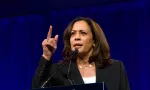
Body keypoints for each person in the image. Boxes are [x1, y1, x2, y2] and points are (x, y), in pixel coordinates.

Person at [31, 17, 130, 90]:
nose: (76, 37)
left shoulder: (115, 68)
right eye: (73, 33)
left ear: (94, 41)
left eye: (83, 33)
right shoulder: (59, 70)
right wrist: (46, 56)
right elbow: (36, 87)